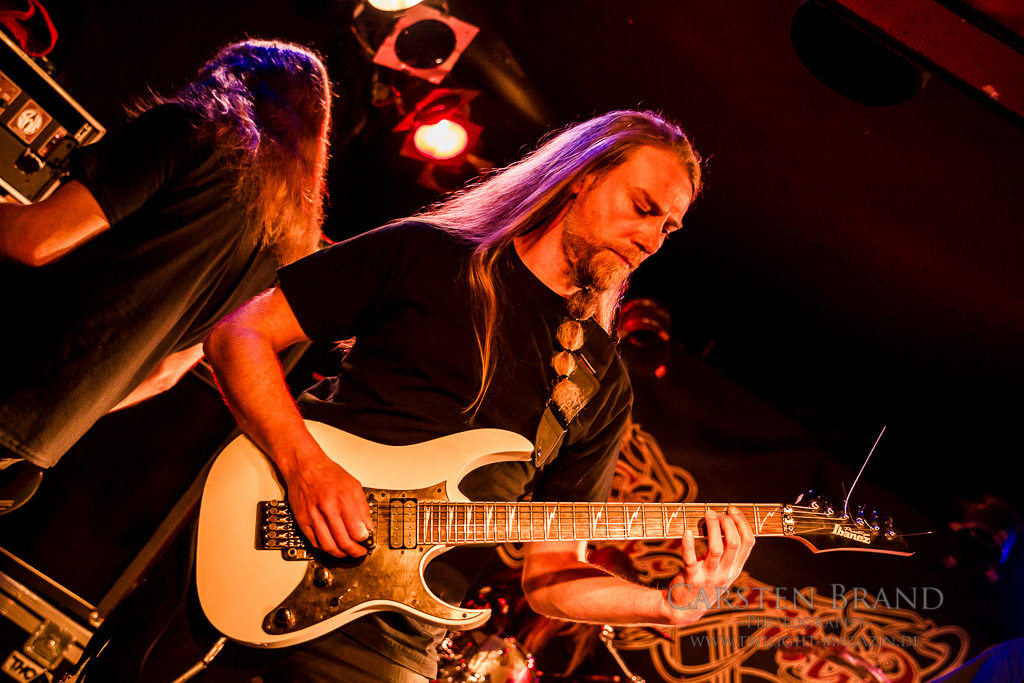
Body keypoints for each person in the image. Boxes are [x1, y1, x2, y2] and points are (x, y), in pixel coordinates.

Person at [179, 109, 756, 682]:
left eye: (667, 229)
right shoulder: (426, 254)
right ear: (582, 176)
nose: (651, 240)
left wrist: (667, 606)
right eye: (643, 207)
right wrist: (305, 466)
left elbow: (550, 574)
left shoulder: (600, 380)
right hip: (258, 565)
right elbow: (239, 335)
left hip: (389, 649)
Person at [0, 39, 332, 512]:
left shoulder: (194, 130)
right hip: (31, 452)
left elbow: (34, 241)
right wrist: (60, 405)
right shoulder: (285, 250)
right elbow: (164, 374)